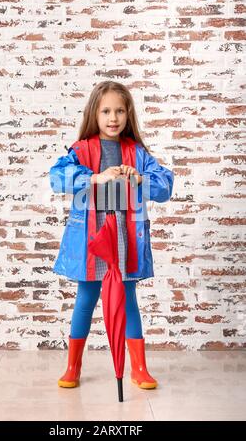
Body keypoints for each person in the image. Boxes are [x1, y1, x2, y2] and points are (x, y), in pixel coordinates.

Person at [49, 80, 174, 390]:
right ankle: (73, 366)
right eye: (106, 111)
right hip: (93, 233)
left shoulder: (136, 151)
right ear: (95, 113)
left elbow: (165, 185)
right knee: (86, 299)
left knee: (128, 300)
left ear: (128, 113)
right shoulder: (81, 149)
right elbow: (57, 177)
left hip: (124, 232)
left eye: (119, 110)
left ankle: (139, 368)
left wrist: (141, 178)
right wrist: (95, 177)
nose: (113, 117)